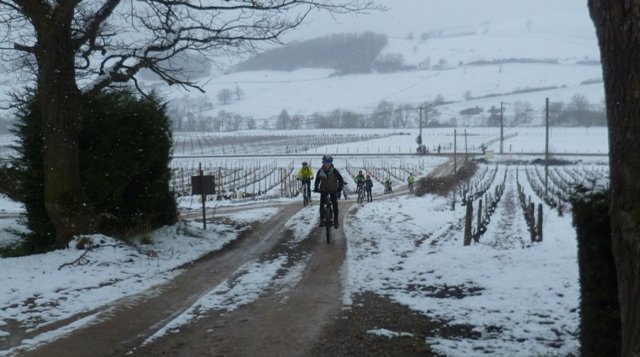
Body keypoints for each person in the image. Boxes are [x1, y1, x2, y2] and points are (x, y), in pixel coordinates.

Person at [314, 155, 344, 229]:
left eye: (328, 162)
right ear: (323, 162)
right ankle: (321, 219)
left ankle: (336, 220)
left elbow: (341, 179)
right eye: (325, 162)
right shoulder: (320, 171)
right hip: (323, 190)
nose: (326, 164)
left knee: (335, 205)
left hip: (333, 189)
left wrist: (339, 188)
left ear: (331, 163)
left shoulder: (334, 171)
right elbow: (317, 180)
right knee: (321, 205)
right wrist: (316, 188)